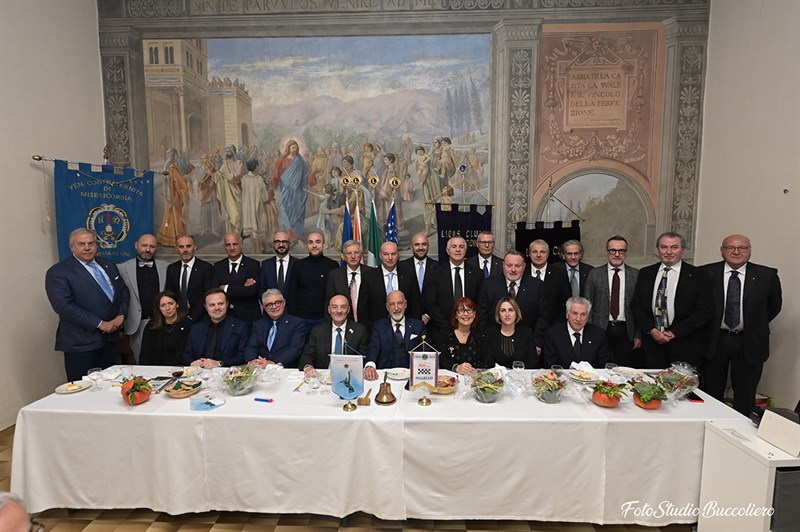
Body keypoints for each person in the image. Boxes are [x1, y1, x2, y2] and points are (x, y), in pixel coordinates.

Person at [701, 234, 782, 416]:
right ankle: (711, 426)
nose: (736, 252)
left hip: (749, 340)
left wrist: (752, 324)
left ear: (749, 251)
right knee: (711, 390)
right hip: (715, 340)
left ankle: (739, 433)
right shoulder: (706, 273)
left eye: (742, 248)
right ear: (722, 251)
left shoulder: (767, 275)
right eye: (730, 247)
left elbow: (774, 306)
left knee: (745, 393)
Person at [45, 229, 129, 382]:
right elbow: (64, 306)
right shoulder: (58, 272)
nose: (87, 248)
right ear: (72, 247)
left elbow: (122, 291)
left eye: (91, 243)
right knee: (83, 391)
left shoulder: (108, 264)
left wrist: (120, 316)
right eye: (81, 244)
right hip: (81, 343)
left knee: (110, 387)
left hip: (110, 339)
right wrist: (100, 324)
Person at [631, 232, 713, 370]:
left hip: (685, 345)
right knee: (652, 387)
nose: (668, 252)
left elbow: (704, 311)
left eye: (674, 247)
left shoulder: (699, 275)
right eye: (664, 247)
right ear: (658, 249)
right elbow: (637, 305)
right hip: (652, 345)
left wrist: (675, 332)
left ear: (683, 249)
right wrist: (651, 330)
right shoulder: (645, 273)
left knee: (682, 389)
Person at [584, 235, 641, 367]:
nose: (616, 254)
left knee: (624, 369)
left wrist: (638, 334)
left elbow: (640, 307)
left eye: (621, 251)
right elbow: (587, 305)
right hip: (600, 329)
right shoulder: (595, 273)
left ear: (626, 253)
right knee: (600, 367)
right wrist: (589, 332)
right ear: (607, 252)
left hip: (627, 331)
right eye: (612, 251)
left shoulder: (636, 275)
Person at [478, 251, 549, 350]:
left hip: (527, 345)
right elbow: (482, 316)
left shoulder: (537, 286)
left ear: (524, 266)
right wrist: (484, 341)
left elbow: (543, 316)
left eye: (517, 266)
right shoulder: (489, 285)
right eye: (509, 265)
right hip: (495, 344)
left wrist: (537, 343)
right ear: (503, 265)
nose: (513, 270)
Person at [118, 233, 168, 362]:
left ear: (156, 248)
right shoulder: (122, 268)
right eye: (144, 245)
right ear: (136, 246)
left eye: (152, 246)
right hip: (136, 324)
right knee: (141, 361)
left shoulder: (166, 267)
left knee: (165, 359)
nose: (147, 249)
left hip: (162, 321)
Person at [425, 236, 483, 338]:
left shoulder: (477, 273)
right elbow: (431, 303)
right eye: (454, 246)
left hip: (471, 330)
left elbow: (481, 302)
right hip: (442, 330)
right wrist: (446, 327)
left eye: (461, 247)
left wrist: (468, 323)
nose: (457, 249)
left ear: (465, 250)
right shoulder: (435, 273)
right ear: (447, 251)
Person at [299, 295, 370, 376]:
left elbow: (364, 357)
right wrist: (308, 367)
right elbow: (307, 355)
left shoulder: (359, 331)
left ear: (348, 309)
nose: (339, 311)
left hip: (350, 376)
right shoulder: (318, 331)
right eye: (334, 307)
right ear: (329, 310)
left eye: (343, 307)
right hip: (323, 376)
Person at [183, 288, 249, 368]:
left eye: (220, 303)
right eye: (212, 305)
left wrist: (219, 363)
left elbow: (243, 357)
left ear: (227, 304)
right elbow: (186, 356)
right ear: (206, 307)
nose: (217, 308)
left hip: (226, 373)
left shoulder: (240, 327)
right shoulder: (196, 328)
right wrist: (193, 363)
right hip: (198, 372)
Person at [286, 232, 339, 331]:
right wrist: (294, 318)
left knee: (323, 347)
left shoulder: (333, 266)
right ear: (307, 245)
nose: (314, 245)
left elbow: (336, 293)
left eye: (318, 242)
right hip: (301, 319)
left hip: (325, 319)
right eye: (311, 242)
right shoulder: (298, 266)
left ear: (324, 244)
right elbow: (291, 294)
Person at [361, 241, 421, 326]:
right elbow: (363, 309)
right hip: (376, 329)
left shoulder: (409, 275)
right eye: (386, 254)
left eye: (393, 254)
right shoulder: (369, 277)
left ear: (398, 255)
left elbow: (416, 305)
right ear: (380, 255)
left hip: (406, 328)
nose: (390, 258)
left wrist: (416, 327)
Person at [366, 290, 427, 373]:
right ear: (387, 307)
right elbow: (373, 348)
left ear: (405, 304)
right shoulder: (378, 327)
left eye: (400, 303)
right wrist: (370, 365)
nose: (396, 308)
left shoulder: (418, 326)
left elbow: (426, 351)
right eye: (392, 304)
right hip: (386, 375)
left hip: (412, 374)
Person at [246, 289, 307, 368]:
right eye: (269, 304)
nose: (274, 307)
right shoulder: (258, 325)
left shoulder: (297, 323)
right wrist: (252, 361)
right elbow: (251, 346)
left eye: (277, 303)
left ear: (284, 303)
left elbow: (295, 349)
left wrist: (272, 363)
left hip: (285, 369)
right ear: (264, 308)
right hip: (260, 368)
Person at [543, 297, 609, 369]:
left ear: (587, 317)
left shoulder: (598, 334)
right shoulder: (553, 334)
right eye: (575, 313)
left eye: (583, 314)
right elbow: (551, 365)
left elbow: (604, 366)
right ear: (567, 314)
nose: (578, 319)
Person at [164, 234, 218, 322]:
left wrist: (191, 318)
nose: (185, 250)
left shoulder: (206, 268)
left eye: (188, 246)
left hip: (201, 318)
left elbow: (209, 296)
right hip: (178, 318)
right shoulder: (172, 268)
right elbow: (170, 294)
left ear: (194, 247)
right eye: (181, 247)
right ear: (177, 249)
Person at [213, 232, 261, 323]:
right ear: (224, 247)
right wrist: (242, 287)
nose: (232, 248)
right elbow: (216, 292)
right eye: (228, 245)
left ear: (241, 245)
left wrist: (226, 288)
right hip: (225, 316)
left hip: (248, 317)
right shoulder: (218, 266)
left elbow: (251, 291)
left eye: (235, 244)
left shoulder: (253, 264)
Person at [325, 240, 375, 324]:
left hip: (368, 325)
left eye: (356, 252)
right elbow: (329, 302)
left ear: (361, 255)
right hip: (343, 324)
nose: (353, 256)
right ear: (344, 256)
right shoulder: (334, 275)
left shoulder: (371, 273)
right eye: (349, 253)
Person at [436, 297, 489, 375]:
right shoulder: (445, 334)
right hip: (449, 380)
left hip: (476, 379)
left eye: (469, 310)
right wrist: (456, 367)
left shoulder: (481, 335)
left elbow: (489, 360)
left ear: (474, 314)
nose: (466, 314)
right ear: (455, 315)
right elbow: (439, 358)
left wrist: (475, 370)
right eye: (461, 310)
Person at [139, 290, 191, 366]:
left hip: (181, 369)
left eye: (170, 304)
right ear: (159, 308)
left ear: (177, 304)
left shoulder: (187, 324)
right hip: (156, 369)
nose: (167, 308)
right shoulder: (152, 325)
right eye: (163, 305)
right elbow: (145, 354)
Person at [484, 297, 538, 369]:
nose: (507, 314)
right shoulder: (489, 334)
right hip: (497, 378)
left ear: (516, 313)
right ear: (498, 314)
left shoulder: (527, 333)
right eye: (503, 310)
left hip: (522, 377)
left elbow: (533, 363)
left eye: (511, 310)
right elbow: (487, 363)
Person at [397, 233, 439, 326]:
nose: (420, 248)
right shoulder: (401, 267)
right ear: (411, 247)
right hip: (407, 321)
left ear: (428, 246)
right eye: (417, 244)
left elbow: (441, 295)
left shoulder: (438, 267)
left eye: (424, 244)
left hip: (433, 322)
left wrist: (428, 315)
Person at [272, 139, 308, 244]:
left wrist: (311, 176)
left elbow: (305, 174)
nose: (294, 149)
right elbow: (277, 173)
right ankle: (290, 233)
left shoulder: (300, 161)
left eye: (296, 147)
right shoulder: (283, 160)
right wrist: (274, 181)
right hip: (286, 189)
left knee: (298, 209)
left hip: (298, 190)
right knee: (286, 208)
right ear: (288, 148)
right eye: (292, 147)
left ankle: (298, 234)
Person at [156, 148, 190, 247]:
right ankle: (178, 237)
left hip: (168, 196)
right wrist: (185, 191)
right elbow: (178, 182)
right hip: (174, 196)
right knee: (176, 215)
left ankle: (168, 237)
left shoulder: (166, 166)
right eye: (175, 155)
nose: (177, 157)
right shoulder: (172, 168)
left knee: (169, 216)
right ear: (172, 156)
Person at [240, 158, 271, 254]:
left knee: (252, 230)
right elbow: (265, 197)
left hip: (247, 208)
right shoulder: (259, 179)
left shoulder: (244, 178)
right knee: (259, 228)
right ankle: (259, 251)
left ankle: (254, 251)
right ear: (256, 167)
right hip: (258, 207)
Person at [214, 144, 245, 234]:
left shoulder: (239, 162)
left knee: (237, 213)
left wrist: (229, 176)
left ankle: (237, 234)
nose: (227, 153)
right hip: (227, 192)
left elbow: (238, 174)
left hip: (236, 191)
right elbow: (220, 173)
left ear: (233, 152)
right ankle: (231, 235)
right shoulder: (225, 163)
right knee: (229, 214)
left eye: (228, 151)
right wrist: (214, 174)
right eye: (226, 151)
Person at [259, 230, 296, 298]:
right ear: (273, 244)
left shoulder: (298, 264)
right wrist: (268, 304)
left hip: (293, 308)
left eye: (284, 242)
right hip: (271, 307)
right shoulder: (266, 265)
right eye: (277, 242)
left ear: (289, 244)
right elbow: (261, 289)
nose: (281, 245)